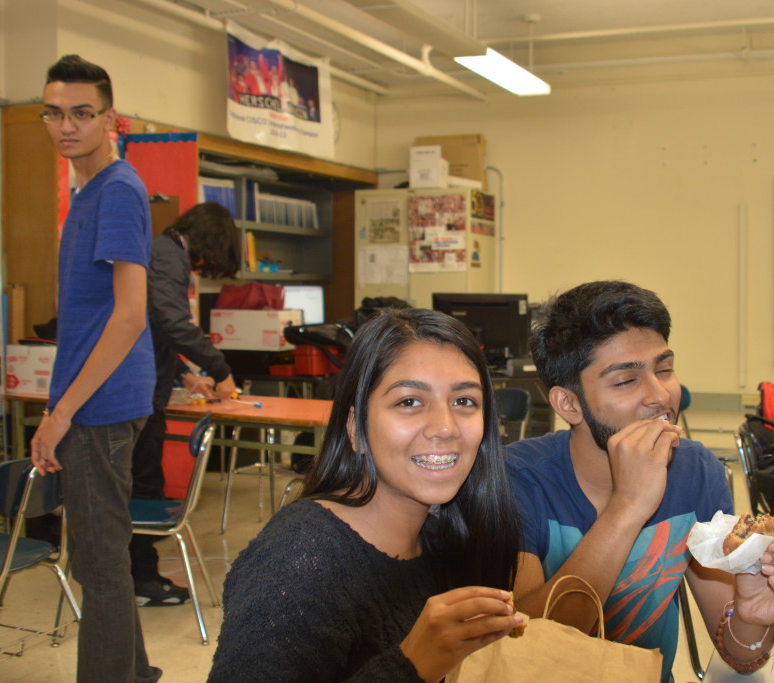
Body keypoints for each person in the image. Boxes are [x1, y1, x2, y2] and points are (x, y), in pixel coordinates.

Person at [506, 281, 774, 682]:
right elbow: (527, 649)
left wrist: (753, 618)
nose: (660, 395)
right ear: (570, 404)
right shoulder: (515, 480)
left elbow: (738, 655)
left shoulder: (696, 471)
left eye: (664, 370)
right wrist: (628, 506)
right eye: (626, 380)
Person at [208, 308, 524, 682]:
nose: (445, 427)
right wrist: (412, 664)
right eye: (409, 401)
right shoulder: (298, 560)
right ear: (356, 427)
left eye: (464, 401)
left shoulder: (446, 536)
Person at [31, 55, 160, 682]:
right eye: (54, 113)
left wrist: (61, 414)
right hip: (98, 400)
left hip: (99, 407)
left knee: (101, 569)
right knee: (101, 559)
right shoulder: (88, 190)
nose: (67, 126)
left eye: (82, 113)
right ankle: (136, 673)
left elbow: (130, 315)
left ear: (109, 118)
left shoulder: (116, 190)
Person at [130, 201, 240, 606]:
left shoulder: (164, 252)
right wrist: (220, 369)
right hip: (138, 393)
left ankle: (138, 574)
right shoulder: (168, 256)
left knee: (143, 481)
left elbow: (154, 327)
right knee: (144, 485)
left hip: (150, 382)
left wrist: (185, 375)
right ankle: (141, 579)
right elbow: (172, 322)